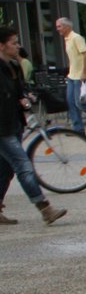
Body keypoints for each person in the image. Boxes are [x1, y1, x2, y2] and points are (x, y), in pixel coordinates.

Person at [0, 25, 68, 226]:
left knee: (5, 169)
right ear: (1, 45)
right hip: (2, 127)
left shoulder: (13, 66)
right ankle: (45, 209)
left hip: (13, 123)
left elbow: (17, 91)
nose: (17, 46)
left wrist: (25, 97)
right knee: (23, 165)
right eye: (13, 42)